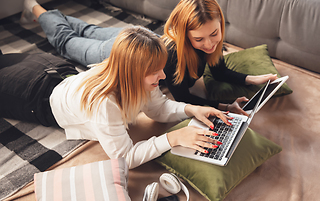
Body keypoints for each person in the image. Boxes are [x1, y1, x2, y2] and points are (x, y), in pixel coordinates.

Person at [0, 26, 231, 169]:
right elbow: (124, 159)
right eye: (155, 71)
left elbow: (158, 109)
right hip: (32, 94)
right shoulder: (105, 103)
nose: (162, 76)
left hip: (57, 69)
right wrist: (173, 138)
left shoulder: (140, 77)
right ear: (132, 73)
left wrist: (192, 109)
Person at [21, 0, 277, 115]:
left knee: (89, 30)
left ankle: (54, 16)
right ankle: (35, 7)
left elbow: (218, 70)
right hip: (118, 53)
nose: (209, 44)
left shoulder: (210, 40)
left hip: (136, 36)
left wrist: (252, 79)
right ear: (182, 33)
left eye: (214, 34)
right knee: (66, 42)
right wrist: (224, 106)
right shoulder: (175, 56)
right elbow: (184, 98)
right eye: (199, 39)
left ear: (220, 23)